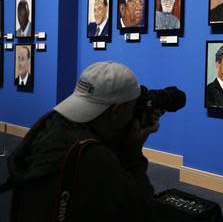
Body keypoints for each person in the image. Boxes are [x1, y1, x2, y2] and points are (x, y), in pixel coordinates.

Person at [6, 61, 162, 221]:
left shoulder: (50, 125)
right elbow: (142, 211)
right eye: (130, 109)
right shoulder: (94, 158)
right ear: (117, 110)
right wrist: (133, 152)